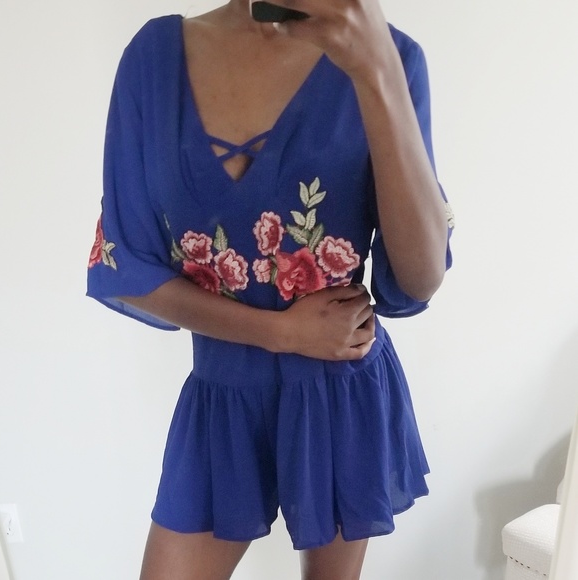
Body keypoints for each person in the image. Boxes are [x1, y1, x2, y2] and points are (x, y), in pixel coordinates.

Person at [87, 0, 453, 577]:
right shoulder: (154, 60)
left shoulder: (391, 57)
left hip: (340, 396)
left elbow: (418, 278)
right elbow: (126, 268)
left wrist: (376, 72)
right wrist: (280, 333)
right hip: (221, 402)